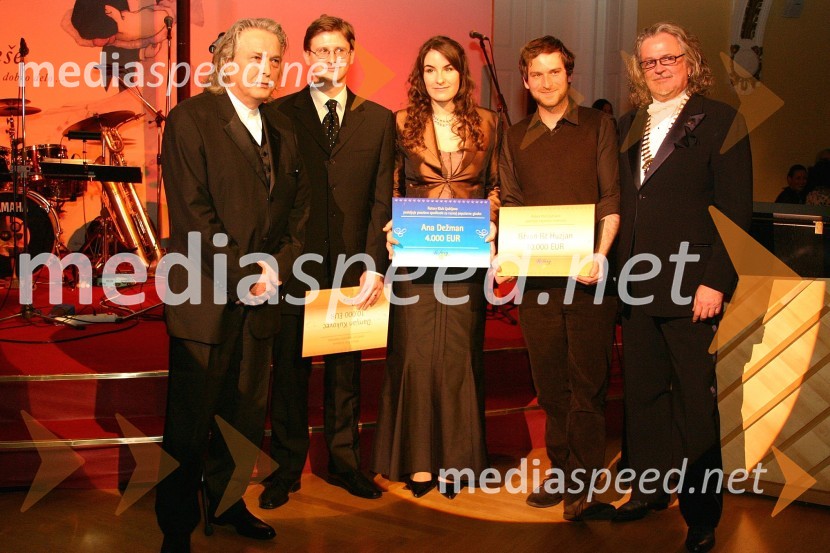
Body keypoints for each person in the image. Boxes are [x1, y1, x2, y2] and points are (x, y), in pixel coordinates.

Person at [155, 18, 309, 553]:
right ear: (225, 63)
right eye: (256, 58)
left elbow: (298, 219)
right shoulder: (191, 120)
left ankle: (226, 504)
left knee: (242, 419)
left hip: (262, 300)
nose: (268, 69)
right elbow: (194, 216)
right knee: (190, 424)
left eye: (275, 60)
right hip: (205, 299)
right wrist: (247, 275)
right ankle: (176, 527)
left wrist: (277, 270)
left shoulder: (286, 131)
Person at [614, 22, 753, 553]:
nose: (660, 68)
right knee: (643, 400)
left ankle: (701, 514)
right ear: (640, 69)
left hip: (693, 289)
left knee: (696, 404)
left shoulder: (722, 120)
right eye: (650, 61)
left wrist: (715, 280)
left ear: (690, 62)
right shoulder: (628, 124)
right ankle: (648, 492)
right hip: (637, 285)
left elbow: (736, 212)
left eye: (670, 58)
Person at [258, 14, 394, 509]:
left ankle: (345, 462)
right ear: (306, 58)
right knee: (289, 372)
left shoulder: (380, 120)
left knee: (345, 372)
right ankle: (286, 468)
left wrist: (374, 266)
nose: (329, 60)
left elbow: (383, 200)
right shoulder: (279, 114)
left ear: (351, 57)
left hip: (353, 268)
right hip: (296, 263)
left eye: (338, 51)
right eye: (319, 51)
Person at [372, 35, 500, 499]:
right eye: (430, 69)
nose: (439, 78)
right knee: (414, 357)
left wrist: (493, 223)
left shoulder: (489, 124)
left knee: (458, 359)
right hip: (413, 259)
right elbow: (389, 186)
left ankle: (456, 463)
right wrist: (389, 227)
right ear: (419, 76)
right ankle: (417, 463)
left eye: (447, 68)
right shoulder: (402, 122)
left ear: (461, 74)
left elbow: (497, 186)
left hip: (466, 260)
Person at [498, 35, 620, 521]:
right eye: (537, 74)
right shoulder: (513, 136)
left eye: (555, 72)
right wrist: (507, 256)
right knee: (550, 385)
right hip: (536, 281)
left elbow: (611, 197)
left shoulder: (598, 125)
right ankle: (562, 468)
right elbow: (511, 205)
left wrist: (599, 255)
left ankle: (585, 481)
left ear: (569, 75)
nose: (547, 82)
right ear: (526, 82)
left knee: (587, 382)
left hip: (588, 276)